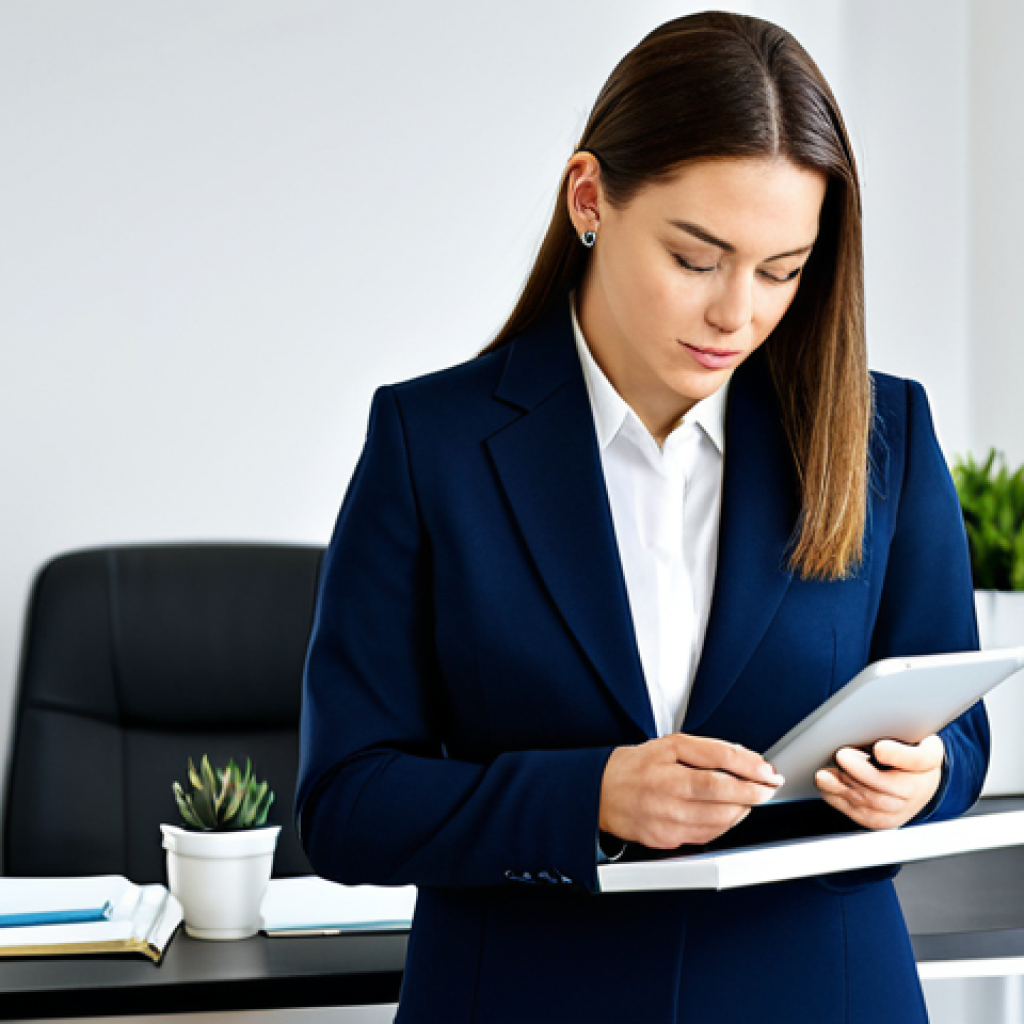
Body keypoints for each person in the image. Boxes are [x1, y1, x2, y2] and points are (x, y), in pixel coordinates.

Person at [296, 11, 989, 1023]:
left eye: (782, 270)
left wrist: (921, 778)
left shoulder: (882, 432)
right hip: (526, 997)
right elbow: (345, 802)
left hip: (819, 992)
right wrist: (590, 797)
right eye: (696, 257)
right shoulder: (428, 441)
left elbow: (958, 733)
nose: (736, 314)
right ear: (591, 199)